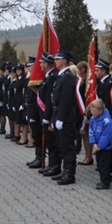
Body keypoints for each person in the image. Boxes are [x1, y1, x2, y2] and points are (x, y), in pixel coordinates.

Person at [51, 50, 79, 185]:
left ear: (64, 61)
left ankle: (70, 174)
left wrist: (61, 118)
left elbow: (66, 100)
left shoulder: (67, 77)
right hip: (59, 114)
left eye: (58, 59)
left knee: (67, 146)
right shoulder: (61, 76)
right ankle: (64, 170)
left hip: (66, 117)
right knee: (61, 145)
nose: (55, 61)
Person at [37, 53, 60, 174]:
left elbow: (49, 99)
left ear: (46, 64)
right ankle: (51, 165)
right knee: (50, 142)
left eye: (42, 62)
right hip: (46, 114)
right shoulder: (48, 77)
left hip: (50, 114)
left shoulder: (52, 77)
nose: (40, 65)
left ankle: (54, 166)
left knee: (52, 142)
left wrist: (46, 116)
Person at [88, 99, 112, 190]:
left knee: (104, 165)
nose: (92, 113)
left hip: (105, 148)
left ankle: (105, 182)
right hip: (97, 146)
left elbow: (106, 135)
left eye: (94, 111)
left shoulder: (107, 121)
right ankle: (103, 179)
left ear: (101, 111)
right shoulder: (93, 119)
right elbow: (91, 131)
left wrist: (100, 146)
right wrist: (93, 143)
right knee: (99, 164)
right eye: (91, 111)